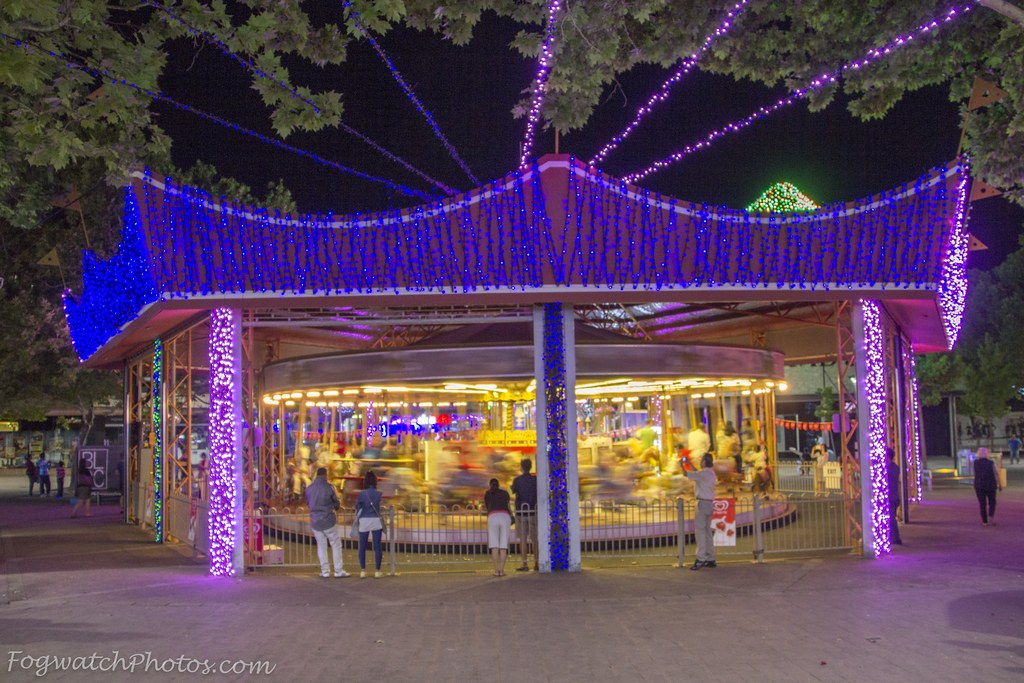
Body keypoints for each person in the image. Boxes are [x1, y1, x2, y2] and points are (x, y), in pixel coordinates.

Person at [305, 466, 349, 578]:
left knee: (321, 545)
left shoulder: (309, 488)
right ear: (325, 475)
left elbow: (308, 503)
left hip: (315, 521)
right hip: (328, 520)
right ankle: (338, 571)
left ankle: (325, 571)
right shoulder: (329, 487)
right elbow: (336, 503)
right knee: (335, 544)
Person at [685, 453, 718, 570]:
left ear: (704, 461)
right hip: (709, 504)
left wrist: (682, 466)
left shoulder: (703, 474)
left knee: (700, 532)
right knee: (708, 532)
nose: (700, 461)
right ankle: (710, 558)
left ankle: (701, 559)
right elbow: (697, 473)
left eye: (701, 459)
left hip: (702, 504)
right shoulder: (710, 473)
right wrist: (689, 464)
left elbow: (687, 474)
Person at [355, 470, 385, 578]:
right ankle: (377, 571)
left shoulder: (361, 494)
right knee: (377, 546)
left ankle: (363, 570)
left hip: (364, 521)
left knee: (362, 546)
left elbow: (358, 507)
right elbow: (381, 506)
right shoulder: (379, 494)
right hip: (376, 520)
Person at [510, 458, 539, 572]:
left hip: (521, 513)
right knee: (534, 539)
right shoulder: (535, 480)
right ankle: (536, 563)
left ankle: (525, 564)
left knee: (523, 539)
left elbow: (513, 491)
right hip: (533, 512)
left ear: (521, 467)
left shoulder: (517, 480)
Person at [483, 478, 514, 577]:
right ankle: (502, 570)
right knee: (503, 545)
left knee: (494, 545)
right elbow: (509, 507)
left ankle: (496, 571)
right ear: (499, 485)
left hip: (493, 517)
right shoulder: (505, 493)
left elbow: (488, 507)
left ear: (490, 485)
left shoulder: (488, 494)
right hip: (505, 517)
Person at [973, 447, 1002, 526]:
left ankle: (984, 521)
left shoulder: (975, 463)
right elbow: (996, 474)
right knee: (992, 502)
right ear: (987, 454)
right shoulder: (991, 463)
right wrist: (999, 484)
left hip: (979, 485)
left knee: (982, 504)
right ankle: (991, 517)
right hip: (991, 485)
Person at [886, 448, 902, 545]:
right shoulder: (896, 467)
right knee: (892, 518)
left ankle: (895, 538)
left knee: (891, 519)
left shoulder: (888, 469)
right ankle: (894, 537)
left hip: (890, 496)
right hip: (895, 495)